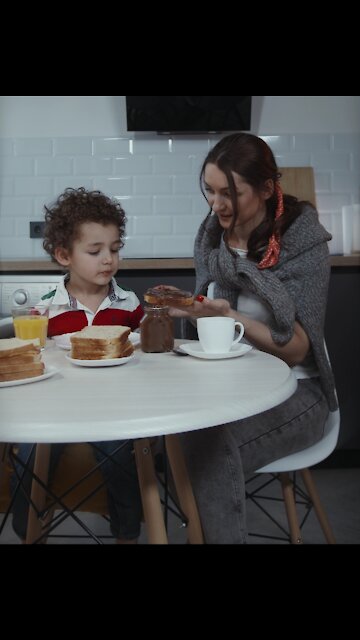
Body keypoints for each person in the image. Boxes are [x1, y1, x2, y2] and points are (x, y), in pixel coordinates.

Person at [158, 132, 338, 544]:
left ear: (266, 189)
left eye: (230, 193)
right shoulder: (212, 239)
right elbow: (212, 323)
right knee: (171, 438)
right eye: (210, 190)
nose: (216, 205)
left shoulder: (304, 244)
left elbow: (295, 350)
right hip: (230, 388)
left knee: (205, 452)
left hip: (299, 395)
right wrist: (191, 312)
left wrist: (231, 316)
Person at [10, 187, 144, 544]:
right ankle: (27, 530)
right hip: (58, 408)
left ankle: (127, 532)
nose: (108, 260)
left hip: (113, 407)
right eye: (95, 251)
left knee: (119, 453)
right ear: (63, 255)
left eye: (115, 250)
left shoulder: (128, 304)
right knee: (29, 452)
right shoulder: (49, 309)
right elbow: (36, 356)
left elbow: (142, 354)